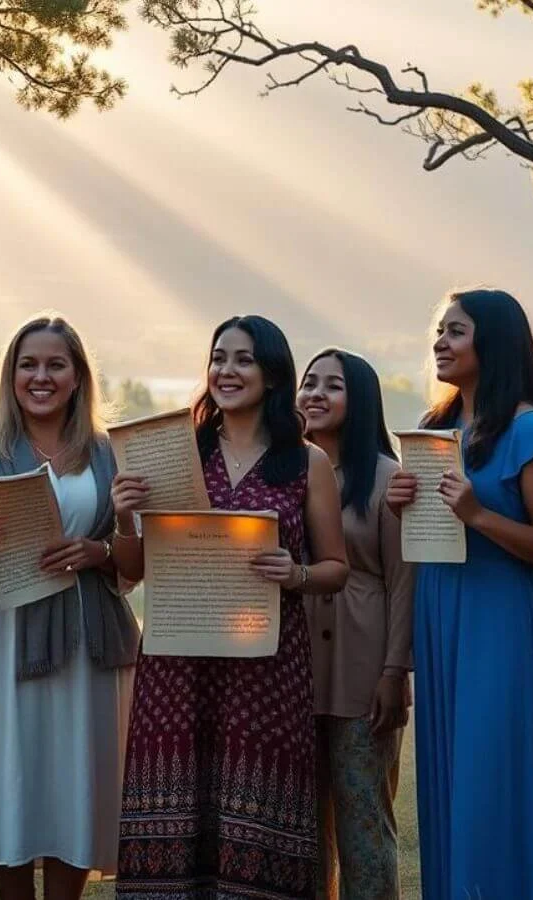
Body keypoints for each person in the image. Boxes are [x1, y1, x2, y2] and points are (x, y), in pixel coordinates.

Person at [114, 315, 350, 899]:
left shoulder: (306, 463)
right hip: (176, 668)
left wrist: (296, 574)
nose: (226, 370)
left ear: (272, 375)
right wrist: (123, 517)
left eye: (243, 359)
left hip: (268, 669)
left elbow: (336, 568)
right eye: (218, 358)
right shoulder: (179, 454)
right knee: (176, 809)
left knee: (258, 811)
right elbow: (133, 570)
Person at [386, 287, 533, 899]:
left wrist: (479, 515)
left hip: (501, 619)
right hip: (440, 611)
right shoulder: (435, 428)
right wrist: (400, 506)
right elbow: (425, 533)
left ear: (492, 340)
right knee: (449, 777)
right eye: (439, 330)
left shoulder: (530, 429)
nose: (440, 342)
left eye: (456, 331)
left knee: (490, 780)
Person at [0, 315, 139, 900]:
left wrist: (100, 551)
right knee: (10, 782)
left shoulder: (107, 452)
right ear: (10, 376)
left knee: (74, 781)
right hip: (3, 638)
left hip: (86, 643)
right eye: (28, 365)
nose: (41, 376)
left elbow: (134, 563)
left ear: (78, 377)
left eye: (56, 365)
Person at [297, 348, 413, 900]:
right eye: (309, 382)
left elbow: (404, 583)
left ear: (361, 400)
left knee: (364, 819)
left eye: (333, 386)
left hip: (363, 668)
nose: (315, 394)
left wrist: (394, 672)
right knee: (301, 825)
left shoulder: (388, 479)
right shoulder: (287, 471)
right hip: (295, 668)